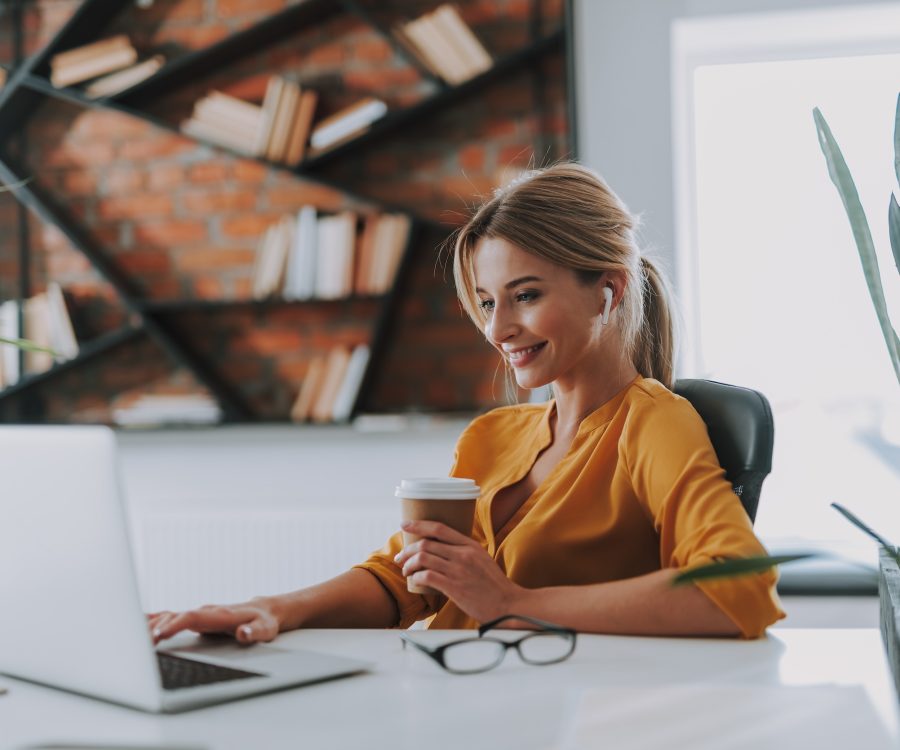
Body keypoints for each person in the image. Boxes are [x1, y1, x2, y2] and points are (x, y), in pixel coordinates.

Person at [149, 163, 784, 645]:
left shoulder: (654, 423)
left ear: (608, 293)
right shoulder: (493, 437)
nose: (498, 328)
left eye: (525, 295)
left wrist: (508, 601)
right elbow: (409, 578)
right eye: (486, 302)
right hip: (452, 698)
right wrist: (278, 608)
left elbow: (738, 590)